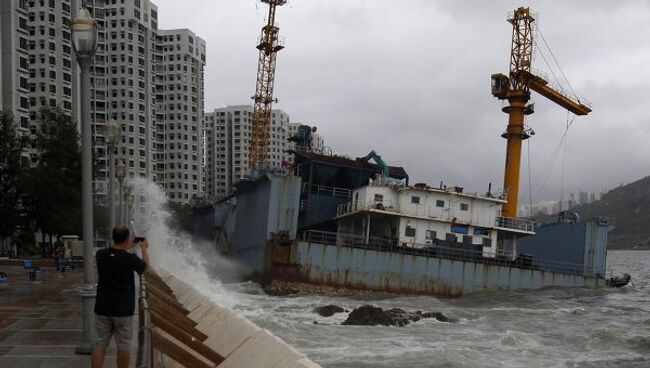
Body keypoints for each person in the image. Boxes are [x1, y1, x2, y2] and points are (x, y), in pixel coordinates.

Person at [91, 225, 149, 368]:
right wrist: (144, 248)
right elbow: (145, 268)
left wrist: (127, 244)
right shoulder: (130, 259)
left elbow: (116, 253)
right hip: (123, 310)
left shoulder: (101, 254)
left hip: (103, 307)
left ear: (113, 237)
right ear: (127, 239)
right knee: (123, 346)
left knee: (99, 345)